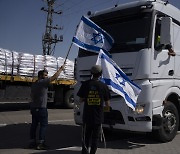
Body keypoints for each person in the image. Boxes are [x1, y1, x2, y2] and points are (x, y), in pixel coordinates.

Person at [29, 63, 65, 150]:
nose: (46, 76)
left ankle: (32, 142)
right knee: (43, 125)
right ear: (40, 76)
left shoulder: (34, 84)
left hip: (34, 107)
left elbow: (31, 96)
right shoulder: (42, 82)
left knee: (34, 125)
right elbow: (54, 77)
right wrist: (61, 69)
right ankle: (41, 143)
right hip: (41, 108)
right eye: (45, 75)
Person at [77, 65, 111, 154]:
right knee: (95, 138)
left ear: (91, 73)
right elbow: (107, 103)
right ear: (100, 74)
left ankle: (85, 152)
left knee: (86, 136)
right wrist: (105, 111)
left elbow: (80, 100)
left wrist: (87, 99)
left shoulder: (85, 84)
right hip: (98, 117)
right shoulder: (103, 86)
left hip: (87, 115)